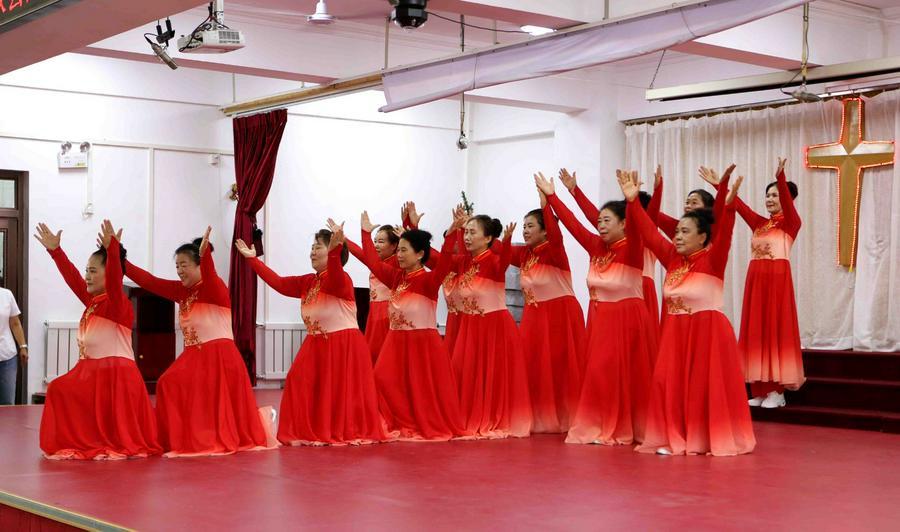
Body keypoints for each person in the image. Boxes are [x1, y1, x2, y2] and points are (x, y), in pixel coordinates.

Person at [620, 170, 756, 456]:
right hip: (675, 333)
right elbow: (649, 233)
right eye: (677, 231)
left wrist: (728, 204)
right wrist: (632, 202)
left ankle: (702, 438)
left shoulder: (713, 258)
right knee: (668, 383)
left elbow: (725, 232)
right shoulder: (671, 258)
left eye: (685, 232)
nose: (678, 236)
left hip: (707, 332)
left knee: (702, 387)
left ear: (703, 237)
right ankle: (675, 435)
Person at [125, 226, 275, 457]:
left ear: (198, 266)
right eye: (177, 266)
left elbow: (210, 274)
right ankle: (179, 436)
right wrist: (121, 261)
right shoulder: (181, 291)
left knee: (178, 386)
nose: (179, 271)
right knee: (167, 383)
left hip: (219, 356)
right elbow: (150, 281)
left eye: (184, 265)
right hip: (194, 355)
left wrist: (206, 255)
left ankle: (202, 436)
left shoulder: (214, 287)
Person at [236, 224, 387, 445]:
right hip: (316, 342)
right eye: (312, 247)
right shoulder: (309, 281)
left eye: (318, 247)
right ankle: (313, 428)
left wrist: (335, 250)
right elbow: (279, 283)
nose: (312, 252)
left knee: (336, 392)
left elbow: (335, 270)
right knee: (297, 380)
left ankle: (334, 429)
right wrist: (252, 260)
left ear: (333, 251)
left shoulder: (341, 280)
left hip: (343, 344)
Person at [536, 173, 657, 445]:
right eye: (599, 221)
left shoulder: (633, 246)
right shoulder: (595, 246)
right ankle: (602, 423)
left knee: (622, 375)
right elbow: (572, 224)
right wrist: (552, 197)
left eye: (606, 221)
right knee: (600, 374)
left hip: (627, 318)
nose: (600, 225)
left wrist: (632, 201)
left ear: (624, 224)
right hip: (601, 319)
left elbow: (639, 226)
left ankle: (624, 426)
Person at [36, 220, 161, 459]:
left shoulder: (117, 304)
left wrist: (113, 251)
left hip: (116, 377)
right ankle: (83, 439)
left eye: (93, 271)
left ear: (109, 273)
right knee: (59, 388)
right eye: (87, 270)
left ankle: (93, 440)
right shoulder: (94, 302)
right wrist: (56, 252)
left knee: (60, 389)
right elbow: (74, 279)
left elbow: (115, 280)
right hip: (93, 374)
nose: (87, 276)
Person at [352, 211, 469, 440]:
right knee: (381, 380)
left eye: (404, 250)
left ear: (420, 254)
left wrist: (451, 235)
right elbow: (373, 262)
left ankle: (417, 421)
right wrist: (365, 234)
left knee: (420, 389)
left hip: (422, 345)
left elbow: (445, 262)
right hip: (395, 342)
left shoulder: (429, 280)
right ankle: (396, 419)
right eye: (399, 250)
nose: (399, 255)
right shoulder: (396, 278)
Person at [700, 159, 804, 408]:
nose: (769, 199)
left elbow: (787, 203)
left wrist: (780, 177)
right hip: (756, 282)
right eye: (767, 195)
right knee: (757, 331)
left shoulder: (791, 223)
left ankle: (777, 391)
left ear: (787, 199)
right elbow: (738, 205)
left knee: (774, 332)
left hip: (777, 283)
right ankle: (760, 389)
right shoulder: (760, 224)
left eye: (775, 195)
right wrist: (719, 185)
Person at [445, 211, 533, 438]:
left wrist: (505, 242)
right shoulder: (464, 262)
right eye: (466, 232)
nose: (467, 237)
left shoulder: (493, 261)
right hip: (470, 326)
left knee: (490, 376)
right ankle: (466, 415)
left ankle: (490, 416)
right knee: (464, 373)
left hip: (493, 327)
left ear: (487, 238)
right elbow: (439, 260)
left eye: (472, 232)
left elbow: (504, 261)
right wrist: (452, 232)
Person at [508, 185, 586, 433]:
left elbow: (556, 233)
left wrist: (547, 203)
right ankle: (537, 415)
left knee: (559, 367)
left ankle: (562, 415)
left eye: (530, 225)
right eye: (524, 226)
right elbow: (494, 251)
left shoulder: (554, 250)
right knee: (532, 366)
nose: (525, 230)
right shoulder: (524, 254)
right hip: (534, 315)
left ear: (544, 230)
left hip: (559, 314)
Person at [558, 167, 661, 331]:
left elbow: (653, 216)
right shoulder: (613, 235)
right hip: (611, 291)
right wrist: (574, 190)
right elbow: (592, 216)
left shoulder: (644, 237)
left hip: (641, 288)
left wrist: (656, 191)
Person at [344, 215, 401, 364]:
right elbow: (359, 252)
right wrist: (343, 238)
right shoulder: (375, 262)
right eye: (375, 241)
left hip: (388, 314)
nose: (376, 245)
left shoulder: (397, 262)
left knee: (385, 357)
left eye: (381, 241)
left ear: (394, 246)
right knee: (372, 356)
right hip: (374, 314)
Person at [0, 284, 26, 406]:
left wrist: (23, 347)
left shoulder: (6, 294)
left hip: (7, 357)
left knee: (7, 403)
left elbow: (15, 323)